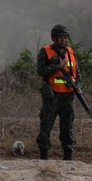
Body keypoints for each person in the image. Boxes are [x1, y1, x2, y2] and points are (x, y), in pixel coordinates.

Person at [36, 24, 79, 160]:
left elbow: (76, 73)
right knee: (46, 126)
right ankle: (43, 156)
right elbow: (41, 71)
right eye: (60, 38)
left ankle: (68, 156)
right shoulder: (46, 51)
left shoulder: (70, 52)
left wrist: (78, 85)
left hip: (68, 96)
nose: (63, 40)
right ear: (54, 38)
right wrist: (58, 67)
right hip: (52, 96)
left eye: (65, 37)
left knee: (67, 128)